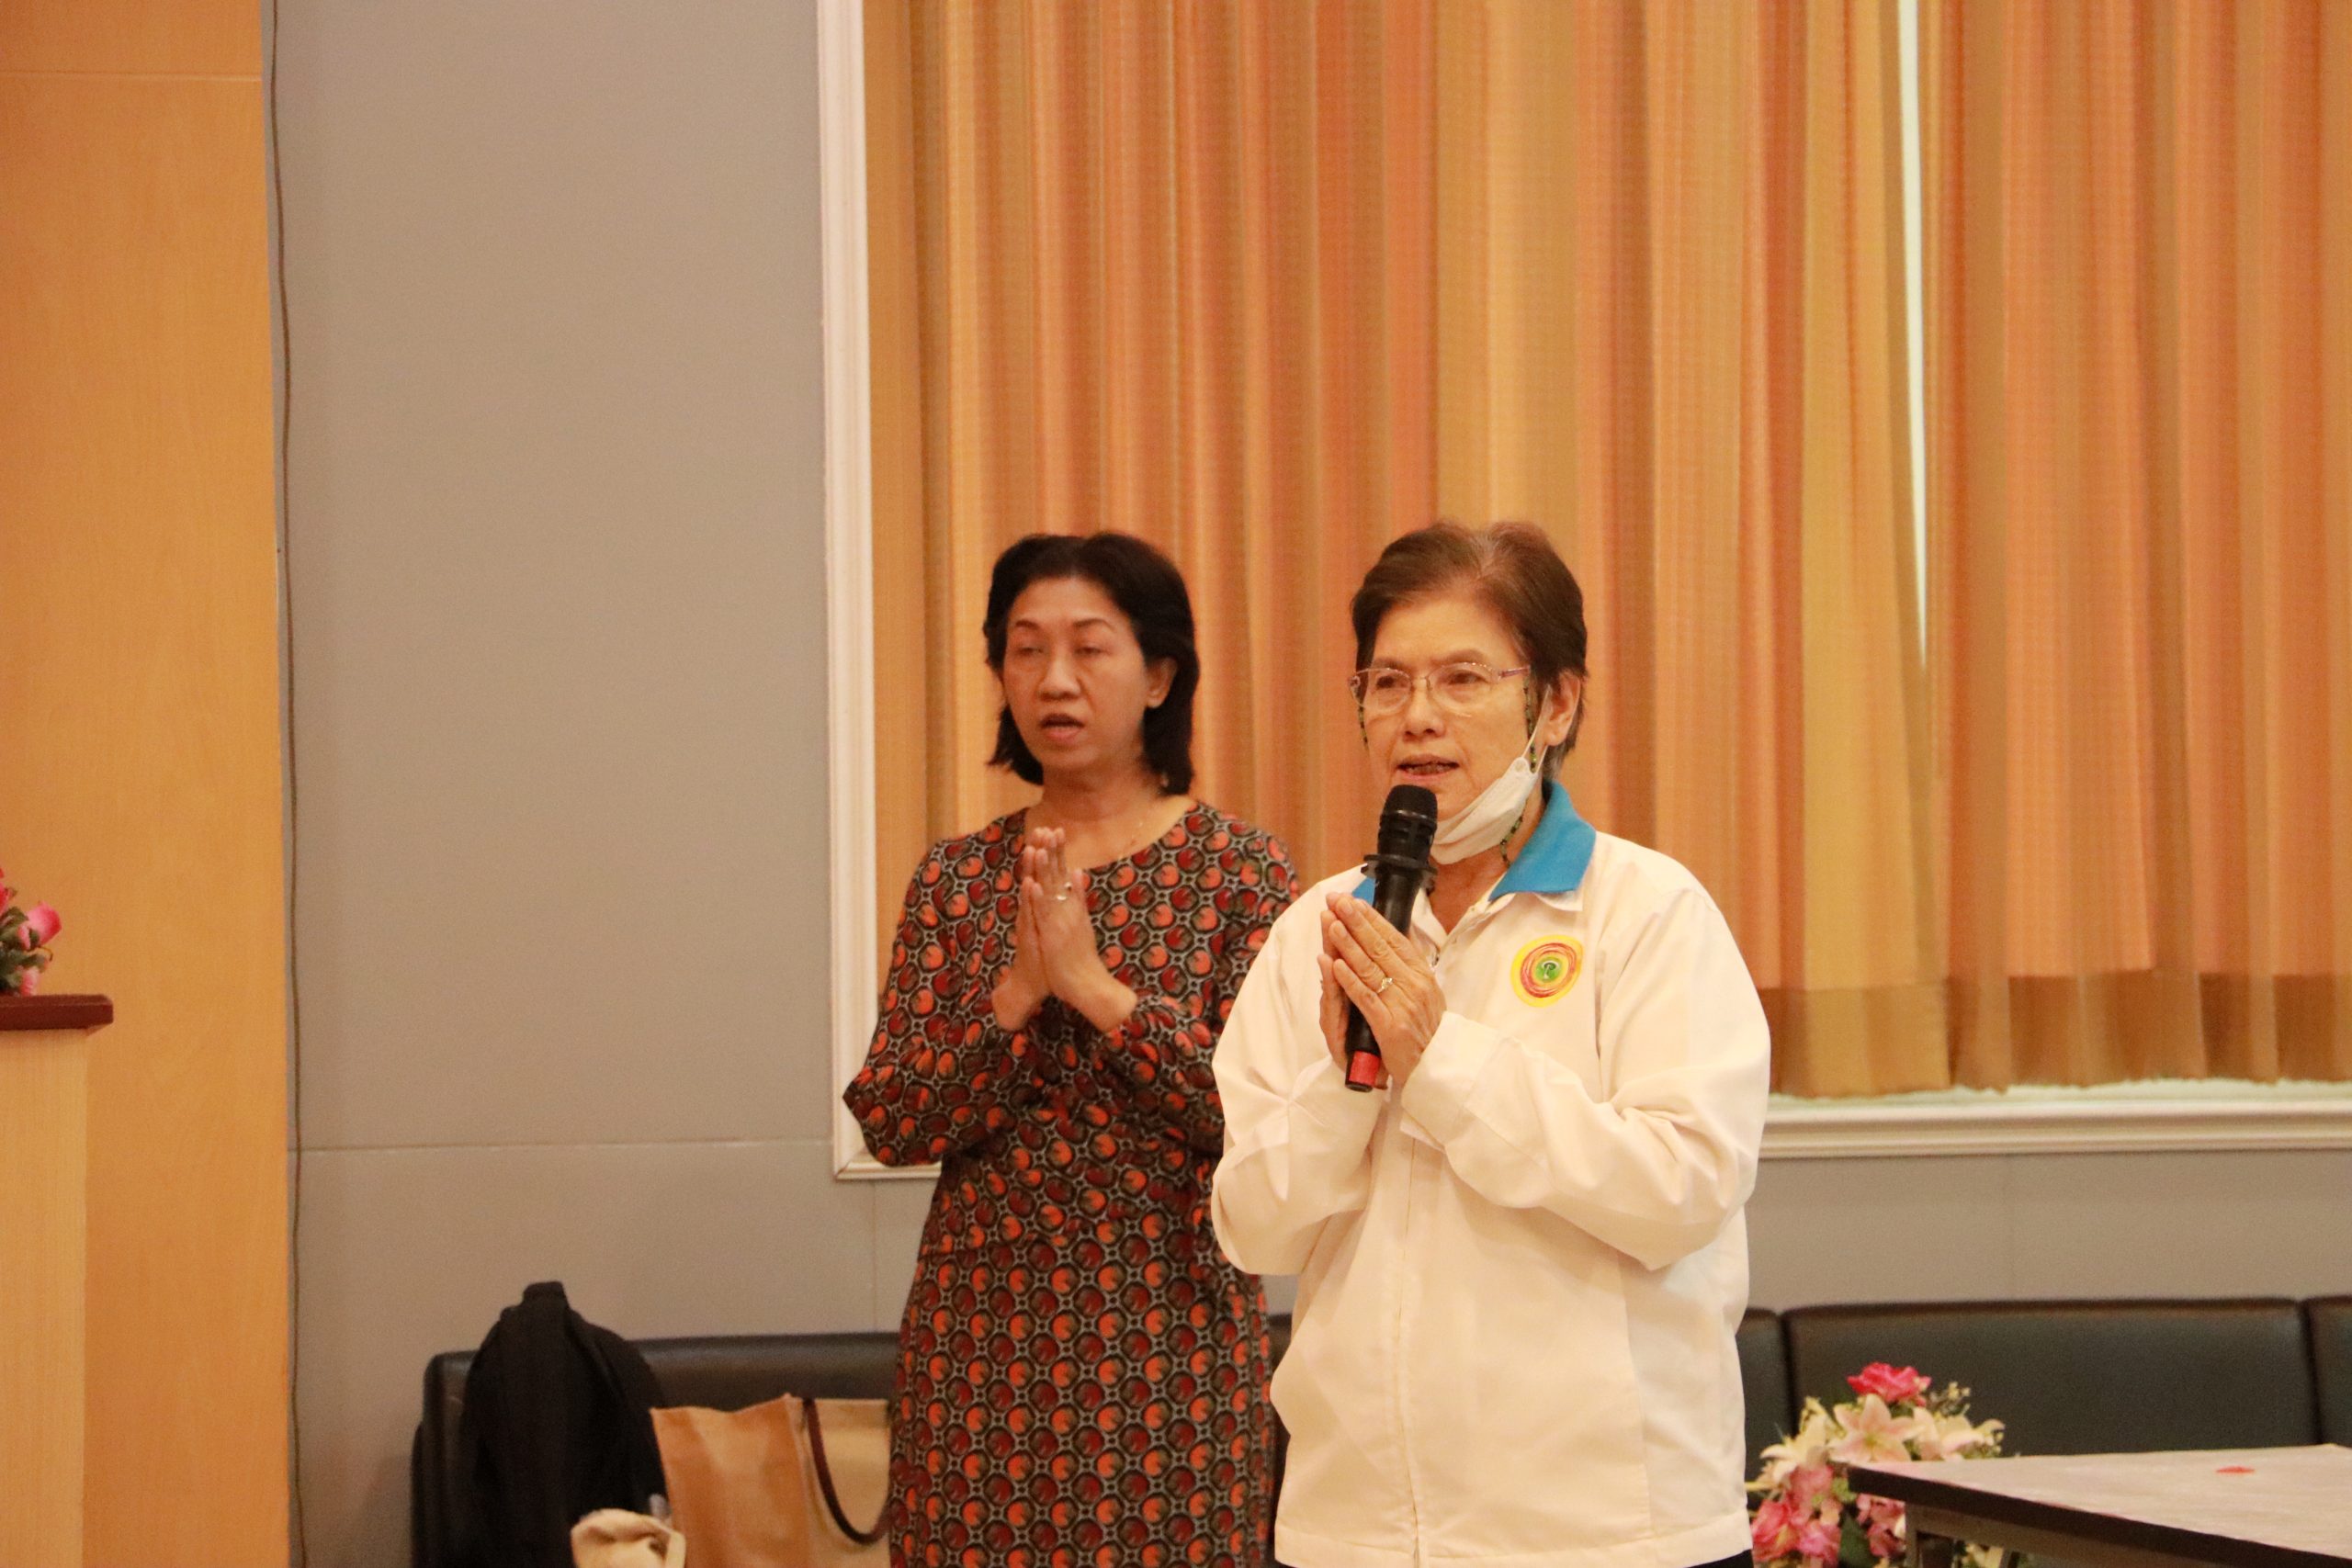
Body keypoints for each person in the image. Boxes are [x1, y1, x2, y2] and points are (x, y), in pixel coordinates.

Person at [1210, 522, 1770, 1568]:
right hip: (1355, 1531)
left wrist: (1441, 1060)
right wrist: (1348, 1085)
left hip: (1606, 1534)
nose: (1417, 715)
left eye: (1463, 678)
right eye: (1386, 683)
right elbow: (1255, 1227)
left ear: (1555, 703)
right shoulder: (1319, 931)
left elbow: (1683, 1187)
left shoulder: (1644, 910)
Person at [845, 531, 1297, 1568]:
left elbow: (1258, 1116)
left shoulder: (1241, 870)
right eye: (1026, 649)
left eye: (1090, 648)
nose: (1054, 679)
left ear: (1160, 676)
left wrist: (1095, 989)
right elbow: (892, 1120)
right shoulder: (958, 878)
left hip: (1176, 1343)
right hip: (979, 1354)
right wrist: (1014, 995)